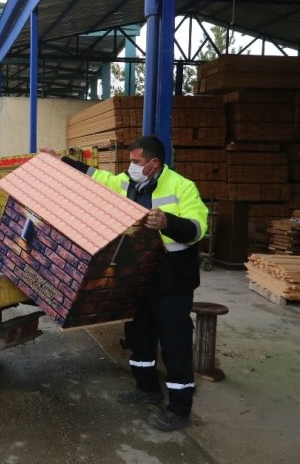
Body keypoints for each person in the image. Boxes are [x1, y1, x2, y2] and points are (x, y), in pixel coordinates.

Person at [56, 136, 208, 431]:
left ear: (154, 163)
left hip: (172, 280)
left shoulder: (182, 187)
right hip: (138, 276)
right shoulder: (127, 182)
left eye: (137, 162)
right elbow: (96, 177)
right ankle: (146, 388)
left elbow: (198, 228)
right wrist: (60, 162)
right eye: (130, 162)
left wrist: (168, 223)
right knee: (138, 334)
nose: (131, 167)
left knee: (175, 342)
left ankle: (179, 408)